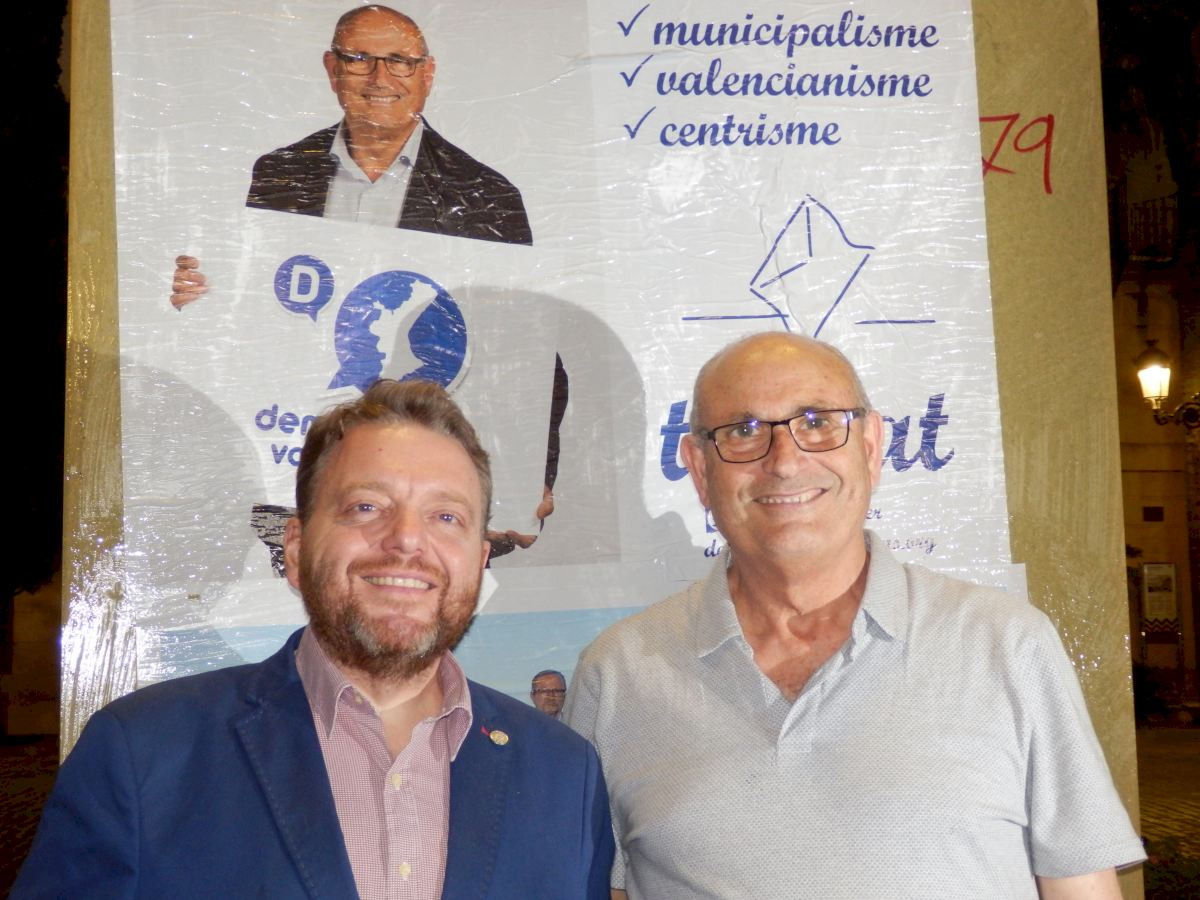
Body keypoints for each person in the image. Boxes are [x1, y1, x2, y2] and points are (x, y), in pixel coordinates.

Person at [565, 332, 1145, 899]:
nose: (785, 462)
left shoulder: (1006, 644)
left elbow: (1080, 886)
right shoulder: (616, 674)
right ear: (699, 469)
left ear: (869, 447)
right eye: (743, 431)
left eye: (818, 422)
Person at [15, 380, 613, 899]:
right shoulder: (141, 754)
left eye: (446, 517)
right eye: (366, 506)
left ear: (479, 562)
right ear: (297, 552)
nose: (407, 539)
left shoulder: (566, 775)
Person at [245, 5, 531, 246]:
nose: (380, 79)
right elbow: (254, 276)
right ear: (333, 70)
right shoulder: (278, 172)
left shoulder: (488, 197)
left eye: (400, 61)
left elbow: (502, 295)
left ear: (427, 75)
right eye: (360, 59)